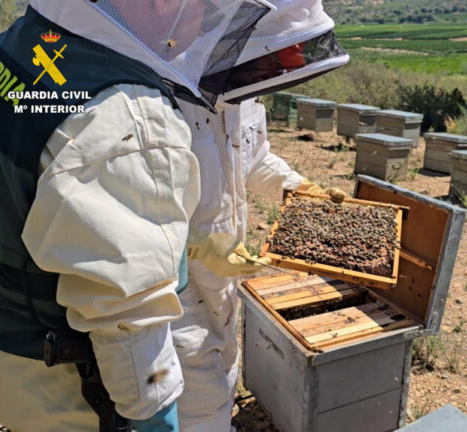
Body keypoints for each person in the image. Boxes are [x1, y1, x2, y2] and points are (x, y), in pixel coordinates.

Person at [0, 0, 260, 430]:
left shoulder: (16, 45)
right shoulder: (131, 117)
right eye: (205, 5)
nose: (207, 20)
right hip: (68, 386)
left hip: (1, 337)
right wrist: (158, 419)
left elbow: (43, 203)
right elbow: (130, 325)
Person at [174, 1, 350, 430]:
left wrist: (296, 186)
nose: (274, 67)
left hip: (222, 285)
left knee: (223, 377)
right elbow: (126, 214)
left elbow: (254, 158)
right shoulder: (161, 97)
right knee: (196, 405)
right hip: (173, 298)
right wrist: (195, 248)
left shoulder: (244, 93)